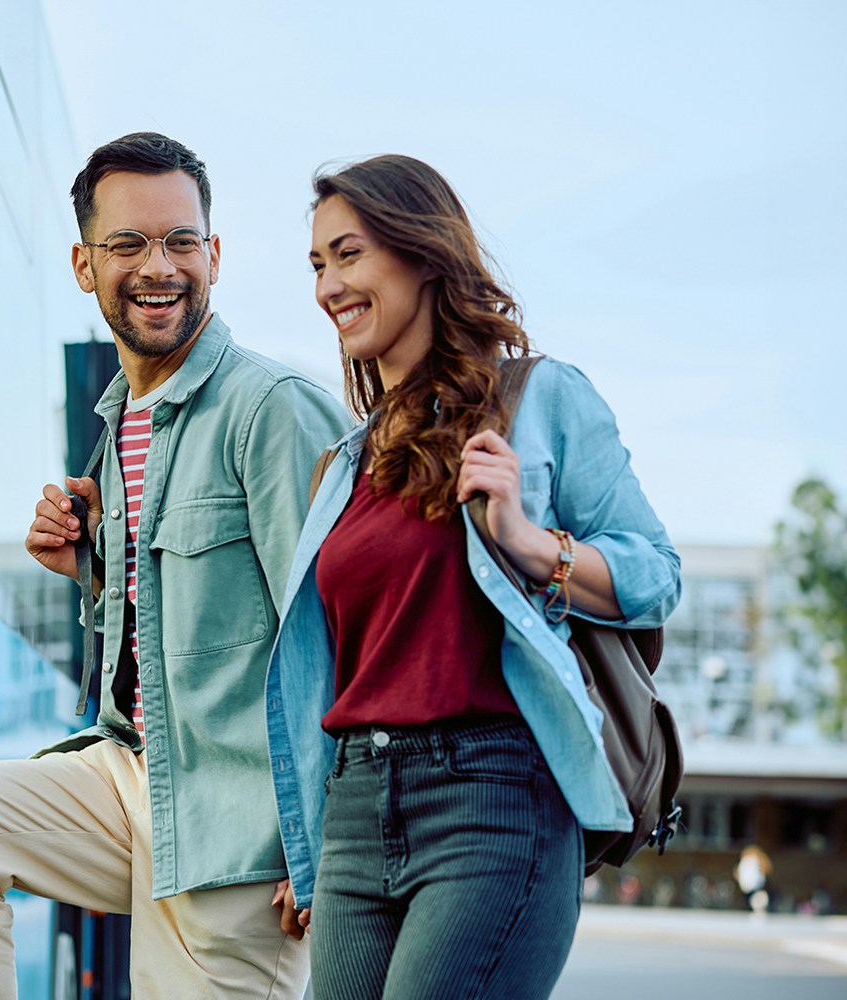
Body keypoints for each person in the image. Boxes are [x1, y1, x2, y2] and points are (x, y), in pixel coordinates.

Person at [0, 132, 351, 998]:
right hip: (131, 773)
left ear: (214, 255)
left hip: (239, 825)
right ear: (83, 263)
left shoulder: (272, 410)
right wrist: (90, 572)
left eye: (180, 241)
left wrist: (321, 839)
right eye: (128, 244)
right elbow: (179, 626)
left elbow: (339, 631)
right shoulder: (121, 426)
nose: (158, 267)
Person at [265, 155, 680, 999]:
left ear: (421, 255)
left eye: (348, 254)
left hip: (492, 800)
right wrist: (302, 840)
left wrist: (533, 545)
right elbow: (337, 671)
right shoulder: (342, 468)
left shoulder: (537, 401)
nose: (327, 287)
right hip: (354, 811)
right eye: (316, 265)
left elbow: (656, 573)